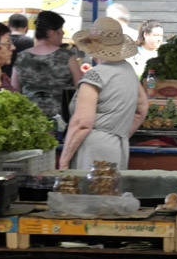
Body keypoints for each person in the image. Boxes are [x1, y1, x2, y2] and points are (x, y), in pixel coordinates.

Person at [60, 17, 148, 171]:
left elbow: (82, 124)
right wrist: (119, 133)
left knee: (92, 193)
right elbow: (142, 109)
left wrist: (64, 160)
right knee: (111, 193)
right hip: (119, 147)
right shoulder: (129, 71)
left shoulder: (95, 75)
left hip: (93, 151)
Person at [11, 10, 83, 123]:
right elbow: (80, 88)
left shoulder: (21, 57)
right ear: (51, 32)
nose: (63, 33)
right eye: (60, 30)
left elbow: (14, 90)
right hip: (61, 121)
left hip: (29, 121)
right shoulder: (68, 57)